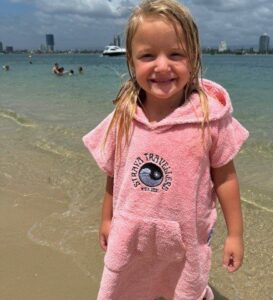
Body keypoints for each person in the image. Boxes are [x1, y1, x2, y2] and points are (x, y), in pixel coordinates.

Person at [82, 0, 249, 299]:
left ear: (194, 59)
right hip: (130, 235)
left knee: (183, 289)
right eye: (148, 56)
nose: (162, 66)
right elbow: (113, 173)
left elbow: (225, 179)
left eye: (175, 54)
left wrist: (235, 234)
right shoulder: (123, 116)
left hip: (184, 240)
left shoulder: (209, 118)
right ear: (132, 63)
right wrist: (106, 219)